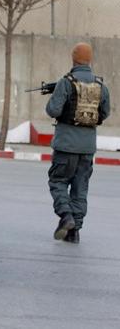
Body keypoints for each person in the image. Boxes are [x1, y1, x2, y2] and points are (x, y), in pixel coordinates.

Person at [46, 42, 110, 244]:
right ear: (89, 60)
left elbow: (53, 111)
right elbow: (105, 113)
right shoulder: (100, 85)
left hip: (65, 145)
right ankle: (75, 232)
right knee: (80, 188)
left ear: (73, 59)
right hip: (87, 147)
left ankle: (66, 216)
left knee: (57, 182)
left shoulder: (66, 82)